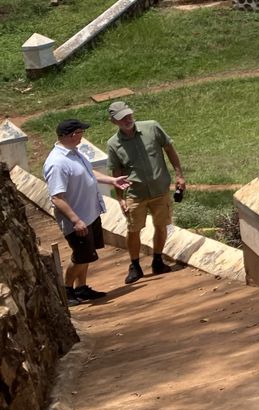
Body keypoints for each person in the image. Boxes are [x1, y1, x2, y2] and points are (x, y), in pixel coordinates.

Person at [43, 118, 132, 306]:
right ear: (71, 134)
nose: (83, 135)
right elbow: (57, 197)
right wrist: (75, 220)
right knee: (81, 256)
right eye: (80, 132)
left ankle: (81, 288)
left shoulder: (74, 153)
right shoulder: (57, 163)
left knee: (87, 255)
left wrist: (111, 180)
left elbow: (89, 172)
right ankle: (67, 290)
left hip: (89, 215)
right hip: (78, 220)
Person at [105, 100, 187, 285]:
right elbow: (116, 172)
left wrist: (179, 175)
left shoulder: (152, 127)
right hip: (135, 194)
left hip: (160, 190)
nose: (127, 119)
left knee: (161, 225)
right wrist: (120, 198)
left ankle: (158, 260)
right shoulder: (113, 144)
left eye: (129, 115)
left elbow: (169, 149)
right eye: (122, 118)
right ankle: (135, 265)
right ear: (114, 121)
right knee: (133, 229)